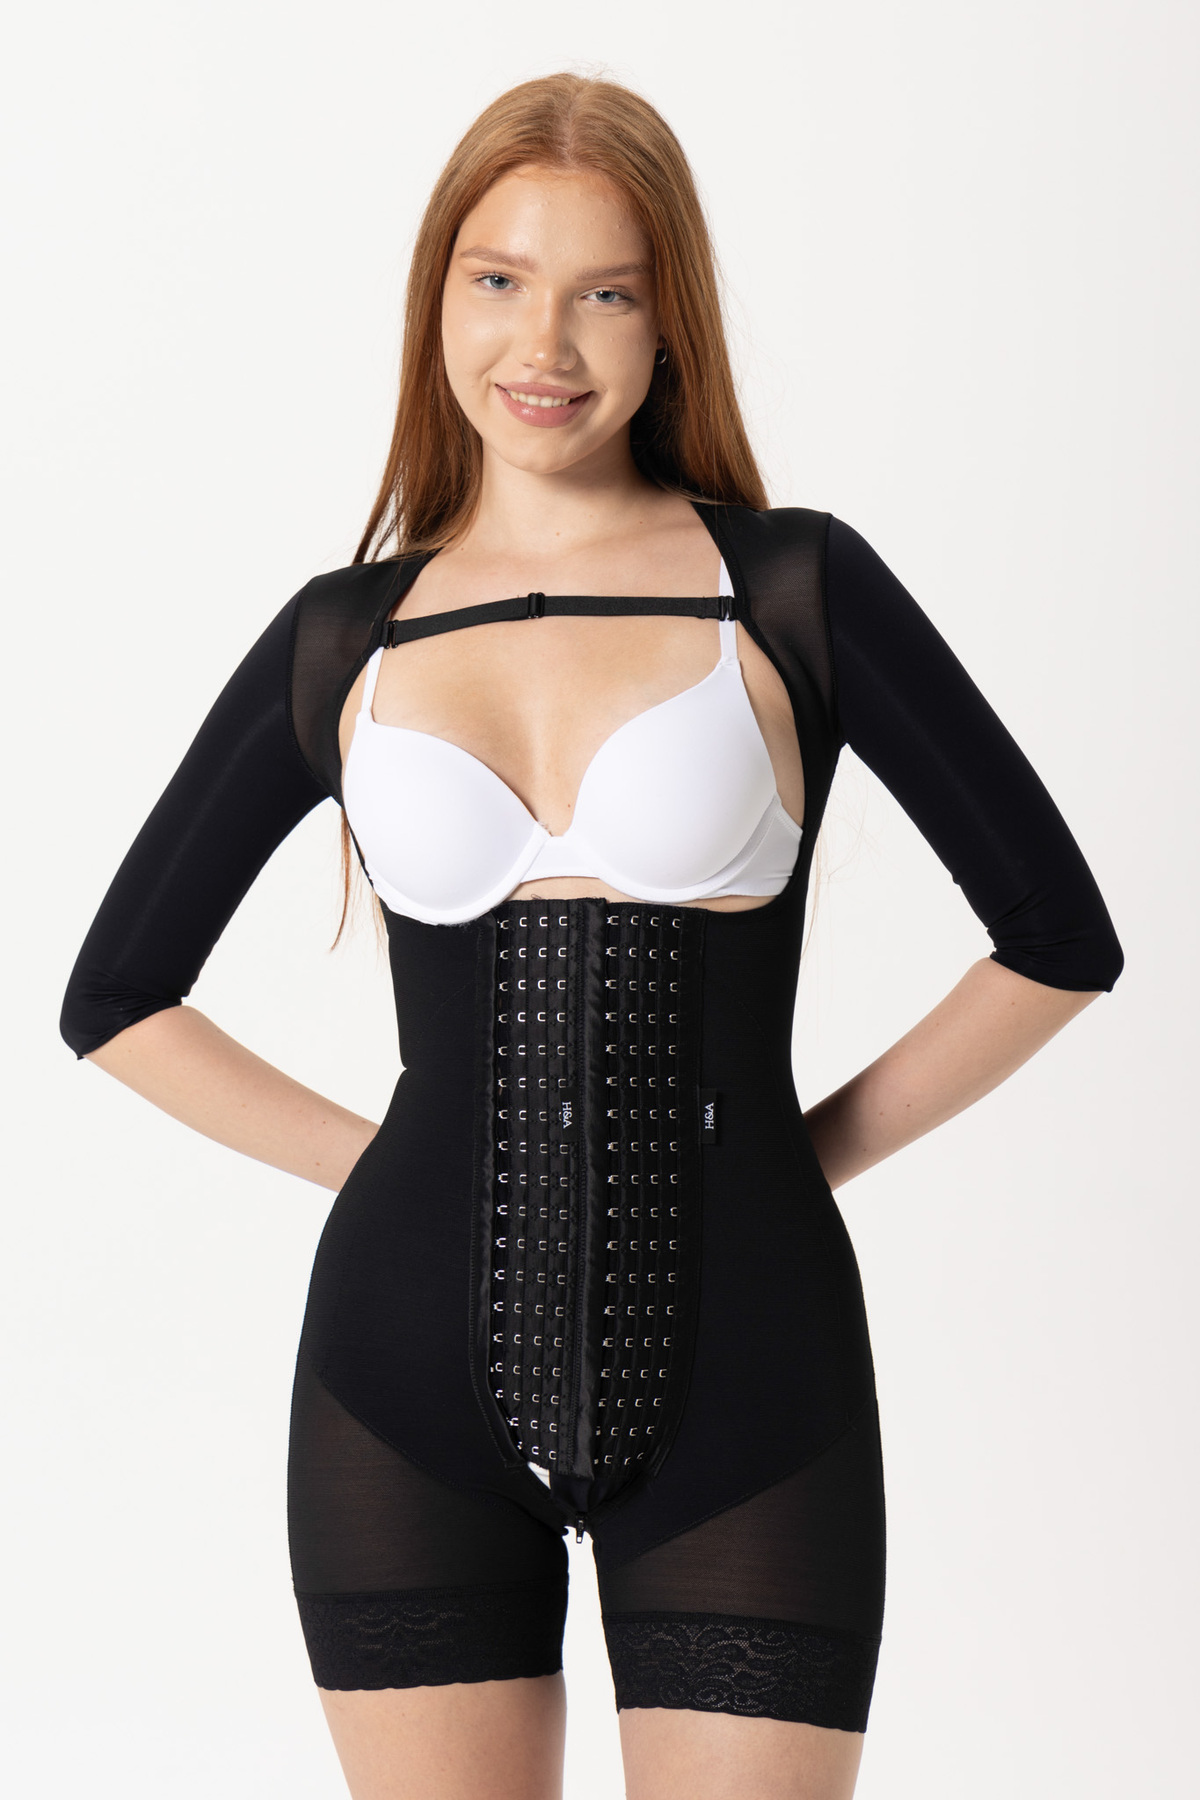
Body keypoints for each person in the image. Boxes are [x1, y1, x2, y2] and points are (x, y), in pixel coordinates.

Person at [59, 71, 1123, 1800]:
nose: (542, 342)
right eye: (499, 278)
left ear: (668, 319)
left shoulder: (793, 590)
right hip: (396, 1386)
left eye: (605, 292)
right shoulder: (345, 636)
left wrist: (787, 1156)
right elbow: (114, 996)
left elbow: (1058, 937)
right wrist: (396, 1167)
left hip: (751, 1383)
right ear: (438, 295)